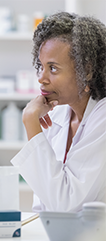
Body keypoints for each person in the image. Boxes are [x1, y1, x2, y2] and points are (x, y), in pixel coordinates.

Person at [11, 12, 106, 212]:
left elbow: (66, 205)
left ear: (86, 71)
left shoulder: (103, 118)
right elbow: (43, 203)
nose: (41, 78)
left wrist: (30, 121)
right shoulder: (57, 115)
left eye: (53, 68)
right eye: (41, 67)